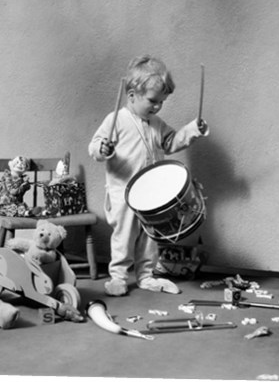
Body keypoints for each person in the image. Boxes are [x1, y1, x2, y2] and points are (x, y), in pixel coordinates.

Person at [89, 55, 209, 296]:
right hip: (123, 193)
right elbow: (95, 146)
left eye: (161, 102)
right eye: (153, 101)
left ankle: (146, 275)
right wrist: (102, 148)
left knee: (150, 237)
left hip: (152, 195)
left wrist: (192, 130)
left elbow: (172, 143)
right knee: (124, 236)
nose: (157, 107)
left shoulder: (156, 123)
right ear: (132, 95)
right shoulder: (116, 120)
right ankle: (119, 277)